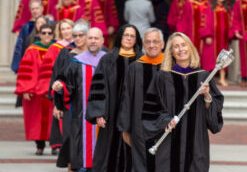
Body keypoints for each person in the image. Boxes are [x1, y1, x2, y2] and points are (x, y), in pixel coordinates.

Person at [142, 32, 224, 172]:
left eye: (184, 45)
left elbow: (214, 115)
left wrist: (207, 96)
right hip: (169, 142)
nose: (181, 49)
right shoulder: (162, 77)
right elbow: (151, 109)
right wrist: (165, 120)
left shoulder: (204, 76)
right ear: (172, 52)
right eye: (176, 46)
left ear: (190, 48)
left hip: (196, 143)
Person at [86, 24, 143, 171]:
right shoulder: (108, 60)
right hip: (111, 115)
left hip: (135, 116)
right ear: (120, 37)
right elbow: (99, 87)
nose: (129, 38)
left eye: (132, 36)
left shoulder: (143, 61)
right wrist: (99, 112)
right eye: (126, 35)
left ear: (136, 39)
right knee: (108, 151)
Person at [52, 27, 105, 171]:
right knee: (81, 152)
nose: (93, 41)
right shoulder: (76, 62)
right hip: (81, 115)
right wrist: (60, 87)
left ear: (102, 41)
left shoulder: (109, 61)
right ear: (86, 41)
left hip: (105, 117)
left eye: (96, 38)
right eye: (90, 38)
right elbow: (68, 85)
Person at [118, 28, 164, 171]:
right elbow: (127, 99)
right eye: (148, 42)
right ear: (143, 46)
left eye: (155, 41)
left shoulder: (170, 67)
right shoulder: (135, 68)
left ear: (162, 44)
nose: (152, 45)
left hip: (165, 128)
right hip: (139, 129)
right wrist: (125, 128)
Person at [15, 24, 54, 155]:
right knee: (36, 120)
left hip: (52, 91)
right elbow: (25, 70)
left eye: (49, 33)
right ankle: (40, 145)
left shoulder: (57, 49)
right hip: (35, 91)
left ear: (53, 35)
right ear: (39, 34)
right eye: (44, 33)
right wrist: (25, 89)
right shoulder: (32, 49)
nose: (47, 35)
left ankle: (55, 145)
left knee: (54, 120)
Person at [35, 19, 74, 154]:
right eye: (63, 29)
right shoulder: (55, 47)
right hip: (60, 86)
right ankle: (57, 145)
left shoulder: (79, 46)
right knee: (58, 116)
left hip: (75, 87)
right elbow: (50, 70)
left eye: (68, 28)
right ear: (59, 32)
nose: (66, 31)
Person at [177, 0, 215, 71]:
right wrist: (182, 35)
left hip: (204, 38)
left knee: (205, 58)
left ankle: (202, 77)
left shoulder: (207, 4)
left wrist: (209, 34)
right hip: (192, 36)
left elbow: (210, 20)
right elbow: (183, 20)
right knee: (191, 56)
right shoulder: (189, 3)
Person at [11, 0, 46, 73]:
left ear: (42, 9)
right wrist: (17, 66)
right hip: (30, 63)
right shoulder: (26, 27)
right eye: (33, 9)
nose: (35, 11)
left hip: (46, 63)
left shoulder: (50, 23)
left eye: (37, 8)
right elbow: (20, 45)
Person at [211, 0, 233, 86]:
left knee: (223, 57)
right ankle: (211, 80)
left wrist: (231, 35)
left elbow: (231, 22)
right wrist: (207, 35)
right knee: (211, 58)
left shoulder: (227, 8)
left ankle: (222, 78)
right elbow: (206, 22)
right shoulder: (211, 7)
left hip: (223, 38)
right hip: (213, 38)